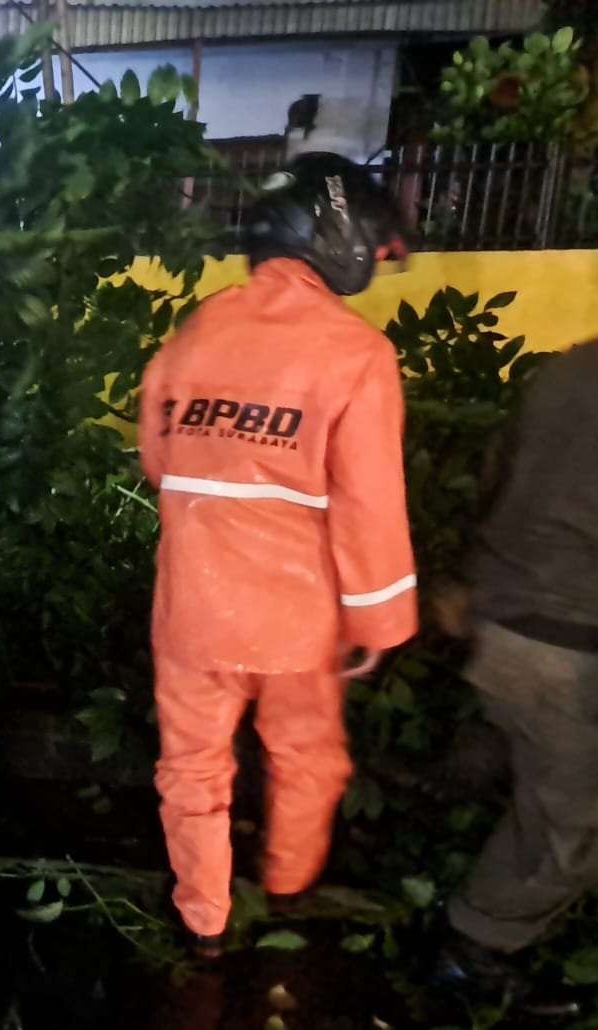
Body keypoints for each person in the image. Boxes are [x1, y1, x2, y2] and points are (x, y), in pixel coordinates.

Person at [137, 152, 418, 956]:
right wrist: (379, 617)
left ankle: (204, 923)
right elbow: (369, 503)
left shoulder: (195, 334)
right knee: (306, 758)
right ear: (335, 238)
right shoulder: (356, 353)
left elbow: (159, 462)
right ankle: (289, 894)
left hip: (191, 607)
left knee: (191, 768)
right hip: (300, 619)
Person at [432, 217, 598, 1015]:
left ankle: (447, 810)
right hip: (556, 643)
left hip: (505, 620)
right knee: (574, 838)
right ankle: (467, 952)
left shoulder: (585, 364)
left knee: (534, 774)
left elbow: (496, 474)